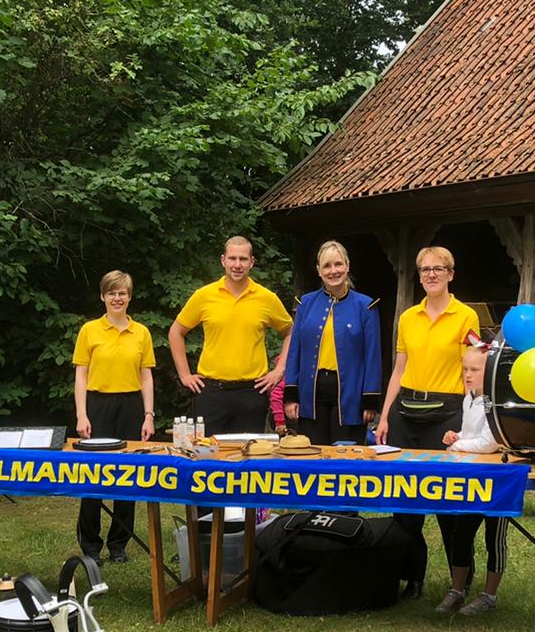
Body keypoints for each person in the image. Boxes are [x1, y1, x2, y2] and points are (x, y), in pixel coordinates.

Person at [376, 246, 480, 597]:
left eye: (438, 269)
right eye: (424, 270)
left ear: (451, 274)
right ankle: (411, 577)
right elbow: (399, 369)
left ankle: (459, 581)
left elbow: (474, 366)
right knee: (404, 503)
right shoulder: (407, 317)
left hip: (446, 414)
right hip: (406, 411)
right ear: (418, 276)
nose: (431, 275)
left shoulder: (465, 317)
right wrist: (385, 414)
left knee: (447, 501)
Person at [168, 236, 293, 436]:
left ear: (251, 262)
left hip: (252, 392)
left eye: (243, 259)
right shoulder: (204, 295)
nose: (237, 265)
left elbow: (290, 332)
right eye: (232, 258)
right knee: (207, 457)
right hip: (211, 392)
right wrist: (184, 375)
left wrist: (279, 370)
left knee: (247, 459)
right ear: (223, 260)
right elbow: (176, 331)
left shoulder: (267, 298)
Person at [73, 270, 157, 563]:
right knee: (92, 476)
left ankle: (119, 543)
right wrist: (82, 414)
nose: (117, 298)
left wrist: (148, 415)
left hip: (131, 405)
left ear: (129, 297)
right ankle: (91, 545)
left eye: (122, 293)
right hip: (97, 404)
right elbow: (80, 375)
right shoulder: (89, 330)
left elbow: (146, 376)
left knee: (128, 476)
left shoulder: (142, 333)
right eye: (112, 293)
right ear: (102, 296)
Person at [283, 240, 382, 445]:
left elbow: (373, 356)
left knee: (345, 460)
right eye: (327, 266)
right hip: (311, 393)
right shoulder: (306, 303)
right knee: (312, 456)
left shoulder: (366, 306)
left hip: (351, 395)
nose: (333, 271)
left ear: (347, 266)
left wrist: (370, 398)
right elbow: (295, 351)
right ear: (319, 271)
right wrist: (291, 394)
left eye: (338, 264)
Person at [436, 344, 509, 615]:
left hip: (499, 478)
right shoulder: (469, 398)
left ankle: (489, 595)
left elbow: (489, 443)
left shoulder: (495, 401)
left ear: (489, 372)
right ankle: (457, 590)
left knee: (495, 537)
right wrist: (456, 435)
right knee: (461, 532)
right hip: (473, 476)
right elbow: (472, 434)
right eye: (465, 369)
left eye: (475, 370)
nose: (468, 374)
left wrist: (457, 446)